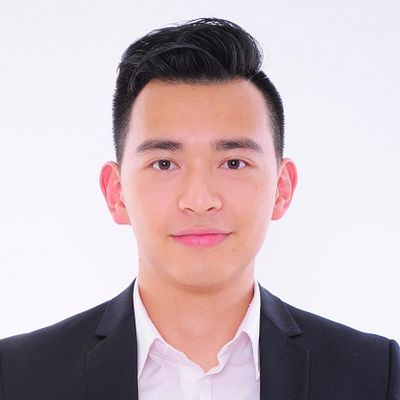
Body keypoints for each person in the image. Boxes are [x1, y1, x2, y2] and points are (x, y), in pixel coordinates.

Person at [0, 17, 398, 400]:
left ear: (282, 188)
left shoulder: (373, 375)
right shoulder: (18, 376)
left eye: (233, 163)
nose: (199, 200)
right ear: (116, 193)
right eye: (164, 164)